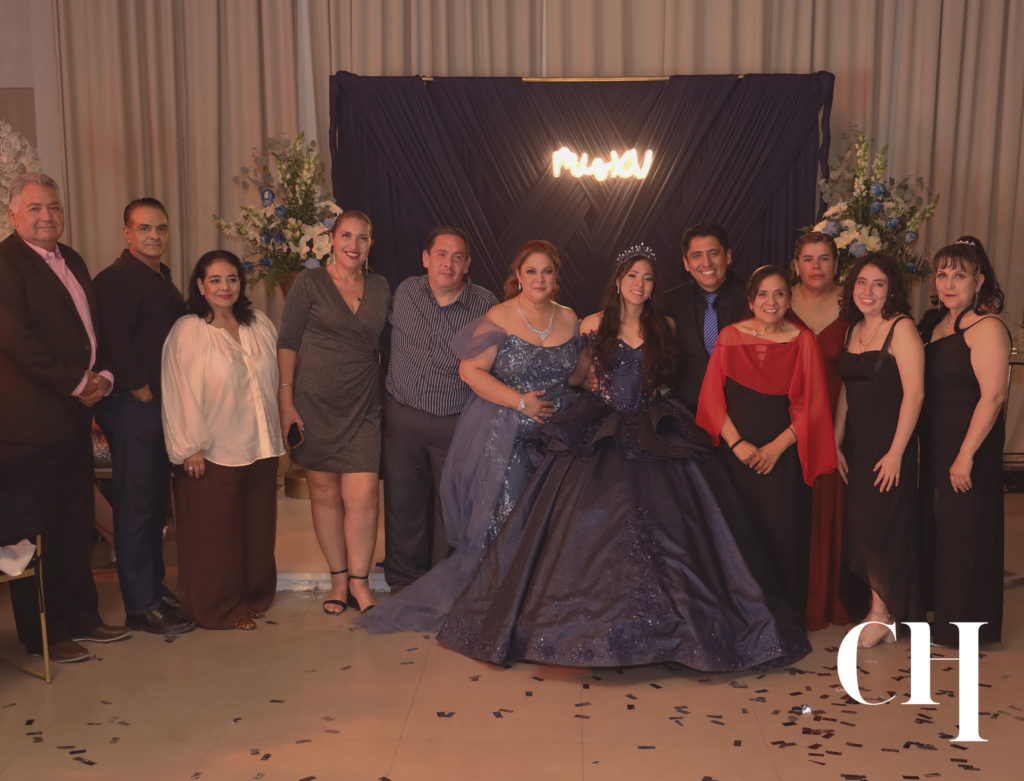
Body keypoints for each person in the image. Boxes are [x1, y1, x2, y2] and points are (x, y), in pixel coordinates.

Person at [437, 246, 811, 669]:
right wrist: (585, 383)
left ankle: (671, 633)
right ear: (618, 281)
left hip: (654, 426)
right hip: (604, 426)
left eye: (647, 278)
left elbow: (666, 378)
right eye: (632, 276)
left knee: (672, 530)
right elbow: (577, 376)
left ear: (653, 286)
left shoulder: (664, 325)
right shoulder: (592, 324)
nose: (639, 284)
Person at [357, 240, 584, 633]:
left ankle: (544, 604)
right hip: (510, 438)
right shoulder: (499, 315)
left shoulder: (569, 318)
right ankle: (503, 604)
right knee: (510, 519)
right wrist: (520, 402)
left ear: (556, 277)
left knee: (555, 521)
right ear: (518, 275)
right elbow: (469, 371)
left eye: (547, 272)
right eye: (531, 271)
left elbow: (576, 376)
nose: (539, 279)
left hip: (559, 439)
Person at [0, 172, 130, 663]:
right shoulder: (5, 264)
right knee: (37, 534)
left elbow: (92, 329)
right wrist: (80, 382)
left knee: (75, 524)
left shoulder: (70, 258)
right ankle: (45, 635)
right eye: (34, 208)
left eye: (53, 207)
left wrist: (104, 377)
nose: (46, 216)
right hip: (28, 427)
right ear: (13, 215)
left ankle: (83, 618)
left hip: (73, 419)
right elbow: (18, 341)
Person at [696, 266, 837, 616]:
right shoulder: (729, 337)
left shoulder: (803, 341)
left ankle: (783, 619)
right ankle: (742, 617)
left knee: (783, 535)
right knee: (737, 536)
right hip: (736, 458)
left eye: (779, 294)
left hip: (783, 458)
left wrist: (776, 448)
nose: (770, 301)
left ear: (789, 301)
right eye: (762, 294)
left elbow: (815, 405)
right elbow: (712, 400)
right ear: (750, 300)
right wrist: (737, 445)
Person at [161, 250, 285, 630]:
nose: (224, 287)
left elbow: (276, 381)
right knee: (214, 537)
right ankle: (216, 609)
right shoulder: (189, 331)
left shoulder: (259, 324)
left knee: (257, 530)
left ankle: (253, 595)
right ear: (200, 286)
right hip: (212, 451)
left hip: (260, 446)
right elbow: (178, 391)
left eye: (231, 279)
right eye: (214, 280)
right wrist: (190, 447)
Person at [277, 211, 390, 614]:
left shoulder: (380, 286)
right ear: (331, 239)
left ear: (370, 244)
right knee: (324, 495)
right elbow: (288, 342)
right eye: (346, 236)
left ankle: (360, 583)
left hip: (363, 404)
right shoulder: (309, 283)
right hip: (314, 404)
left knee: (363, 495)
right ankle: (339, 582)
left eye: (362, 238)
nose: (353, 245)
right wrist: (286, 400)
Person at [93, 198, 193, 635]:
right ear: (127, 233)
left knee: (154, 505)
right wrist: (141, 390)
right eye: (145, 228)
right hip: (133, 406)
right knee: (135, 506)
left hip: (157, 406)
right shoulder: (115, 279)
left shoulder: (161, 277)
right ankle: (140, 605)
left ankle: (154, 588)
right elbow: (113, 339)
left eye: (161, 228)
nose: (155, 235)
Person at [379, 227, 497, 593]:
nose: (448, 264)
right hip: (404, 416)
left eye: (457, 257)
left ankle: (445, 585)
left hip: (456, 422)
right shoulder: (405, 292)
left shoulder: (486, 306)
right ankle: (404, 581)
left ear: (467, 264)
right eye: (441, 255)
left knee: (453, 508)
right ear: (426, 258)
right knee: (403, 502)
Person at [919, 239, 1010, 647]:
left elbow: (994, 396)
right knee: (942, 530)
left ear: (979, 281)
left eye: (960, 275)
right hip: (937, 444)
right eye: (943, 274)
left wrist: (966, 455)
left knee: (964, 533)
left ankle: (964, 626)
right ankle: (942, 614)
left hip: (970, 446)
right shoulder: (933, 326)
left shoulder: (986, 327)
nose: (949, 283)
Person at [834, 253, 925, 647]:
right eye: (861, 282)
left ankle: (882, 613)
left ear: (892, 291)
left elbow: (915, 394)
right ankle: (881, 609)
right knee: (860, 527)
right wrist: (835, 439)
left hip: (889, 444)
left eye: (878, 284)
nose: (868, 291)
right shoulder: (853, 329)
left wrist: (897, 452)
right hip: (857, 444)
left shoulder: (901, 328)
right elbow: (847, 389)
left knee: (880, 527)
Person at [787, 232, 849, 630]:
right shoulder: (778, 298)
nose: (816, 266)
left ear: (836, 264)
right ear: (796, 265)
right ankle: (789, 596)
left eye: (824, 258)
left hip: (837, 415)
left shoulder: (853, 302)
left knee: (829, 505)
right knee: (790, 506)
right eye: (808, 259)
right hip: (786, 417)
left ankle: (826, 595)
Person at [663, 222, 747, 413]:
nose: (706, 263)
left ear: (728, 256)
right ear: (686, 263)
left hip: (743, 413)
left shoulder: (755, 298)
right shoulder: (668, 303)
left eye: (713, 253)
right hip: (686, 414)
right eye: (697, 256)